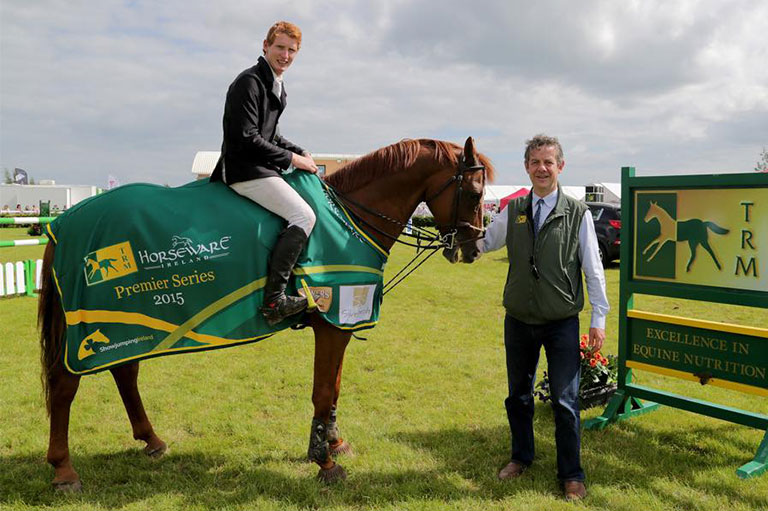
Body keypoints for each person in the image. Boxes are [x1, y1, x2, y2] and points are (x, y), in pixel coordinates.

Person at [481, 134, 609, 501]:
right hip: (519, 318)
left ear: (560, 167)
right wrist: (458, 239)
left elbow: (593, 268)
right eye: (535, 162)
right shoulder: (514, 208)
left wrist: (598, 318)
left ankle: (571, 474)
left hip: (561, 321)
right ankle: (521, 457)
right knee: (518, 397)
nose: (542, 168)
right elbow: (486, 242)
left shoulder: (576, 212)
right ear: (526, 167)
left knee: (566, 401)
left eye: (548, 162)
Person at [210, 21, 318, 326]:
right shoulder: (249, 82)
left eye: (291, 50)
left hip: (261, 166)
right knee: (304, 217)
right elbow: (247, 138)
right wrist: (292, 160)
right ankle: (274, 301)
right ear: (265, 46)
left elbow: (273, 135)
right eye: (280, 47)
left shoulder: (275, 84)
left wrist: (301, 151)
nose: (285, 54)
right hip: (244, 170)